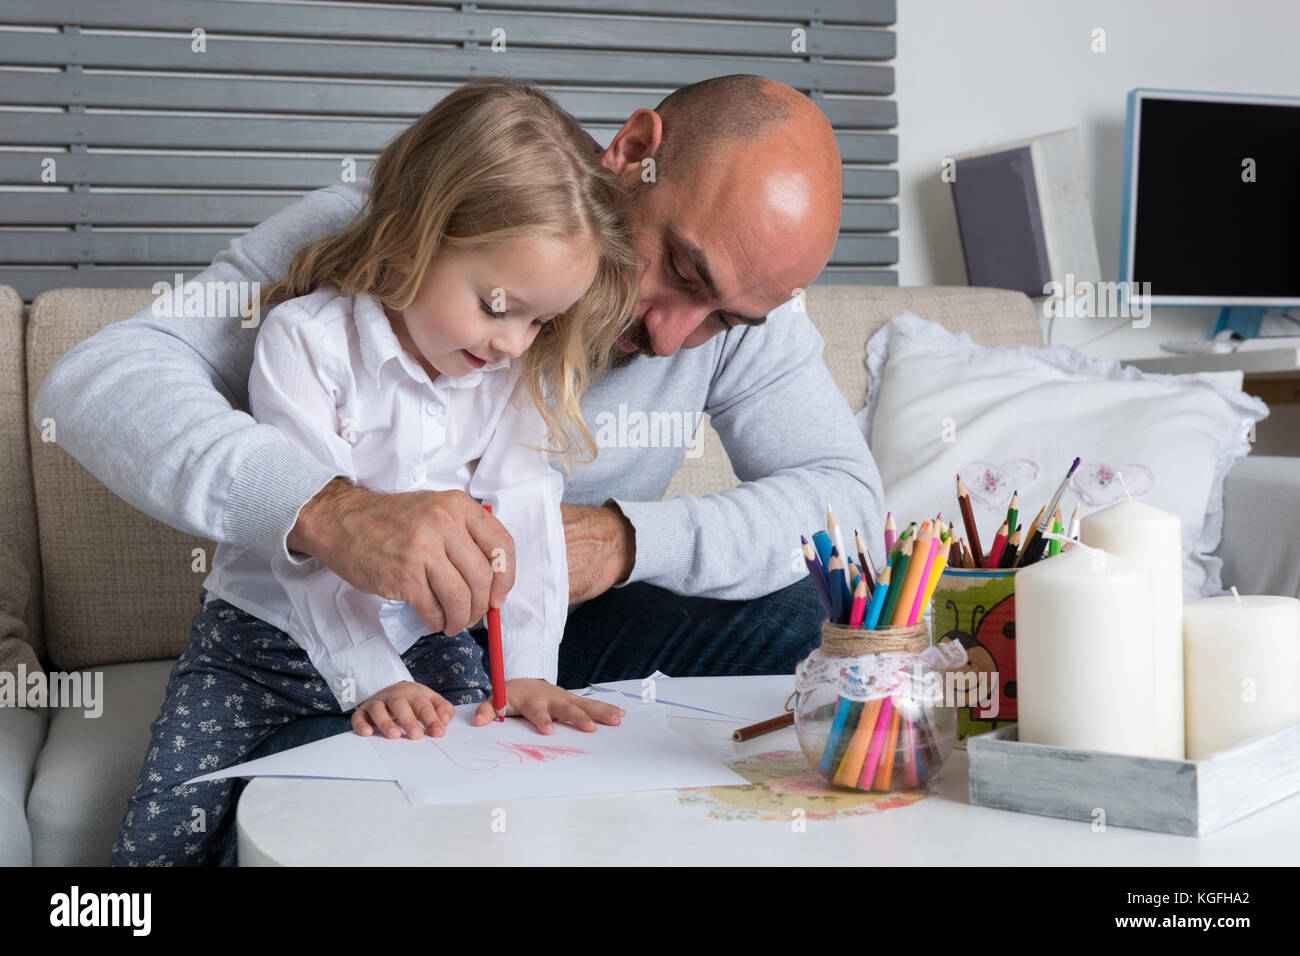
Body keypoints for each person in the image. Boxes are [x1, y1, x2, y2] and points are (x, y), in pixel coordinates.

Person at [36, 76, 886, 859]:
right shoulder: (395, 233)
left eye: (723, 322)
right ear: (632, 152)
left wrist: (625, 542)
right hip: (361, 621)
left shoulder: (734, 311)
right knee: (322, 790)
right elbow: (98, 381)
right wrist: (329, 511)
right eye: (681, 271)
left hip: (549, 617)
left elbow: (848, 507)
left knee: (823, 626)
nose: (671, 338)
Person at [108, 79, 638, 865]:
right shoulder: (304, 341)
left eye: (541, 320)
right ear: (408, 242)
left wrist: (524, 672)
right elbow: (313, 542)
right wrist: (368, 680)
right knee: (163, 834)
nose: (515, 344)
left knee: (458, 820)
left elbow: (522, 518)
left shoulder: (514, 374)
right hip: (261, 643)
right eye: (497, 306)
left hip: (431, 644)